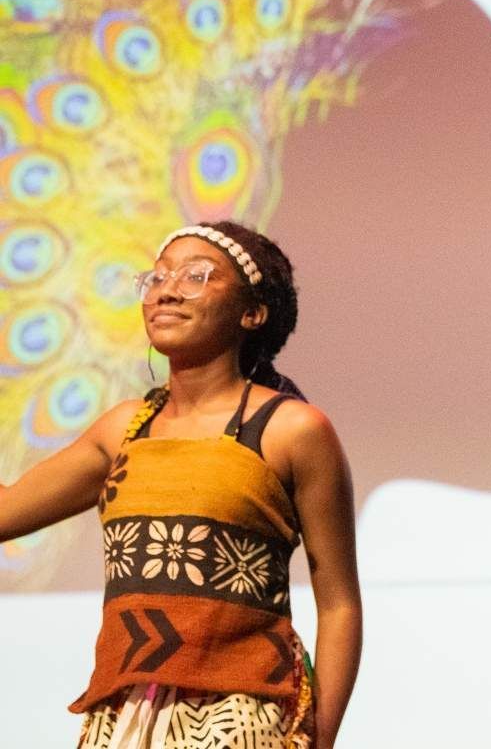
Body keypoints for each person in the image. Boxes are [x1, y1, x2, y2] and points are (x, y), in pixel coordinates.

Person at [0, 221, 361, 748]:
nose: (167, 289)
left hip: (239, 717)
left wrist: (319, 737)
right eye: (157, 277)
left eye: (196, 275)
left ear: (252, 312)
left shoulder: (292, 430)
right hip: (122, 716)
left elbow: (339, 604)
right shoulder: (123, 429)